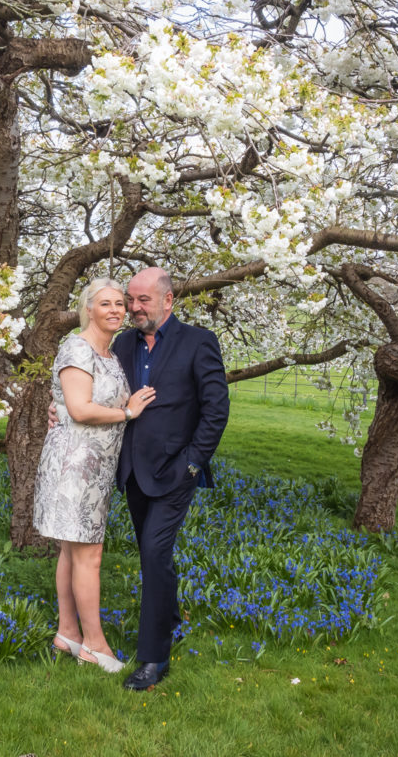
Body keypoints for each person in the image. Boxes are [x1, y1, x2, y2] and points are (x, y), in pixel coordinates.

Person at [113, 267, 230, 691]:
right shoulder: (123, 343)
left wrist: (193, 465)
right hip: (132, 471)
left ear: (168, 301)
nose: (134, 307)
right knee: (153, 555)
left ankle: (153, 658)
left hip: (176, 472)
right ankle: (172, 618)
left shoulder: (198, 341)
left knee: (154, 553)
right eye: (131, 299)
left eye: (143, 299)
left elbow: (216, 409)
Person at [33, 278, 156, 673]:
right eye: (106, 303)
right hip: (75, 465)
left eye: (120, 303)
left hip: (96, 466)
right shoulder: (76, 347)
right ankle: (95, 645)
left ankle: (67, 633)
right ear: (88, 308)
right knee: (89, 554)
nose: (116, 310)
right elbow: (81, 409)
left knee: (73, 551)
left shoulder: (109, 352)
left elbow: (71, 403)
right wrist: (128, 413)